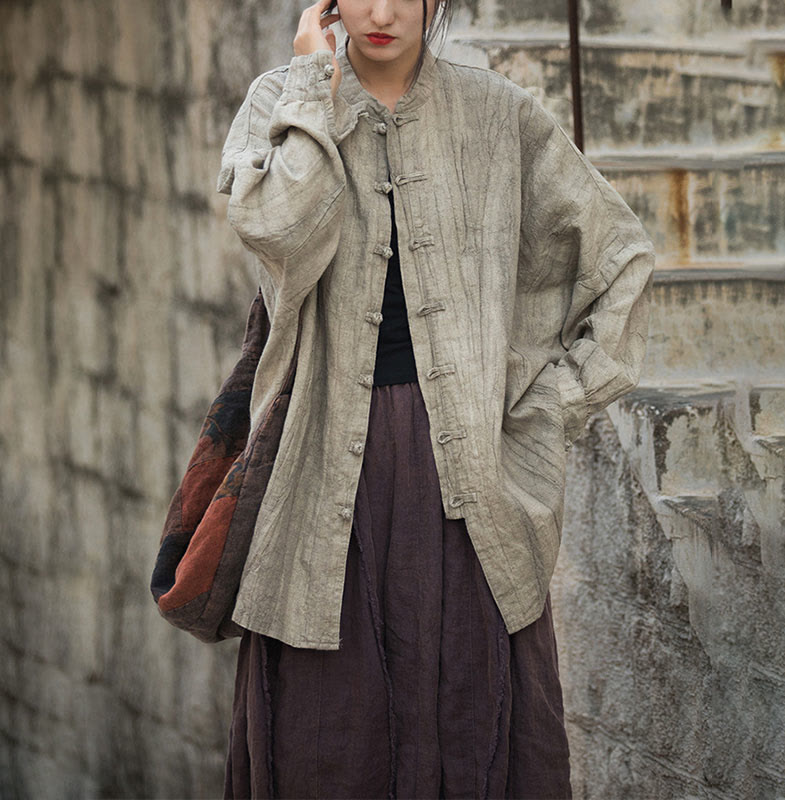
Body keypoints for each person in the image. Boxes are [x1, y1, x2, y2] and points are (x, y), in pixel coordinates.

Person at [217, 0, 655, 796]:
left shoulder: (498, 114)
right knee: (331, 740)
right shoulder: (279, 101)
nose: (380, 12)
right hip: (321, 479)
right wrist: (315, 86)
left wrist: (551, 406)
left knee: (469, 720)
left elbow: (618, 257)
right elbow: (283, 231)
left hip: (467, 484)